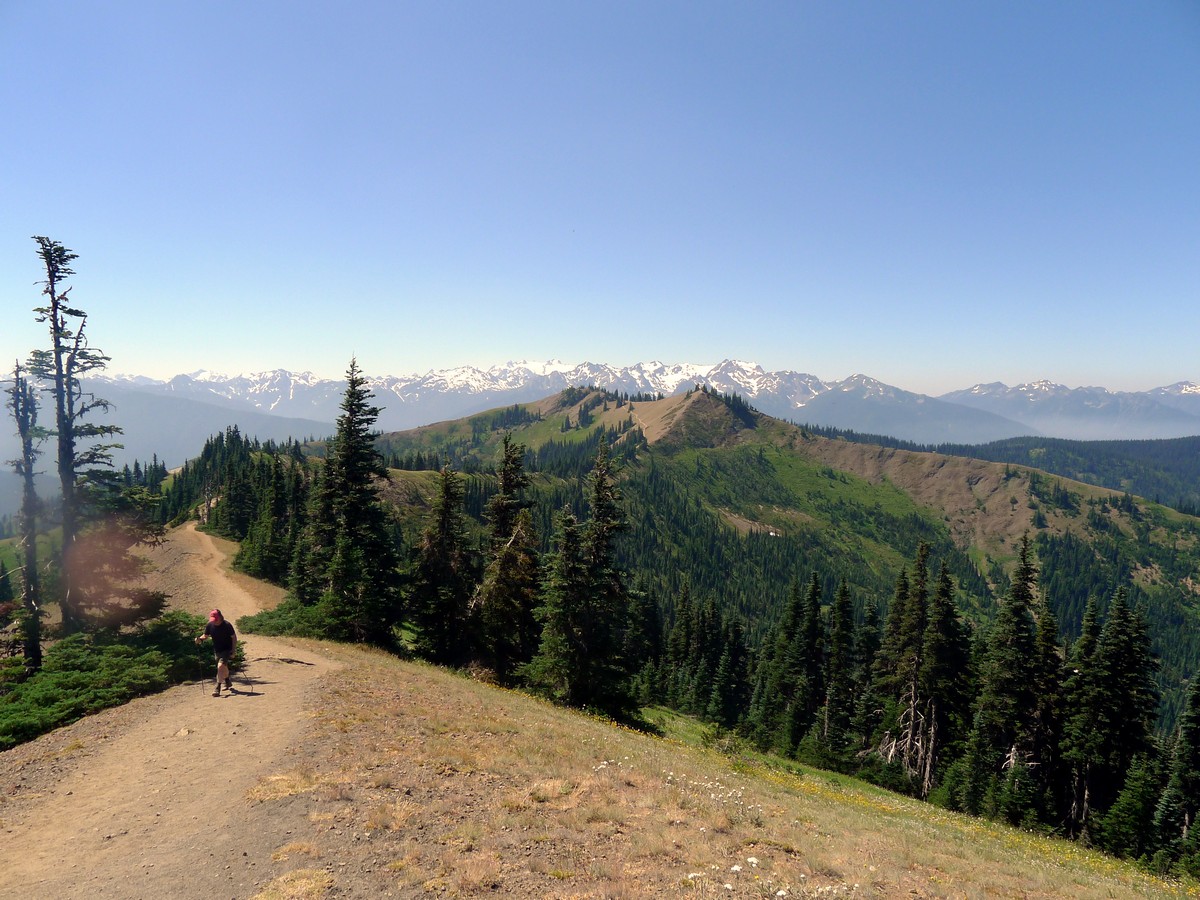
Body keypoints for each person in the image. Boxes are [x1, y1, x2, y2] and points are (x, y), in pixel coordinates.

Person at [197, 608, 236, 697]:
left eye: (216, 620)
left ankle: (217, 687)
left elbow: (234, 637)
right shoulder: (210, 625)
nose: (214, 622)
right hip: (217, 650)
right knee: (223, 667)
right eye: (213, 620)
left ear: (220, 617)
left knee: (220, 666)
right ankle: (227, 680)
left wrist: (233, 650)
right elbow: (205, 635)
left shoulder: (227, 625)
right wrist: (199, 639)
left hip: (227, 649)